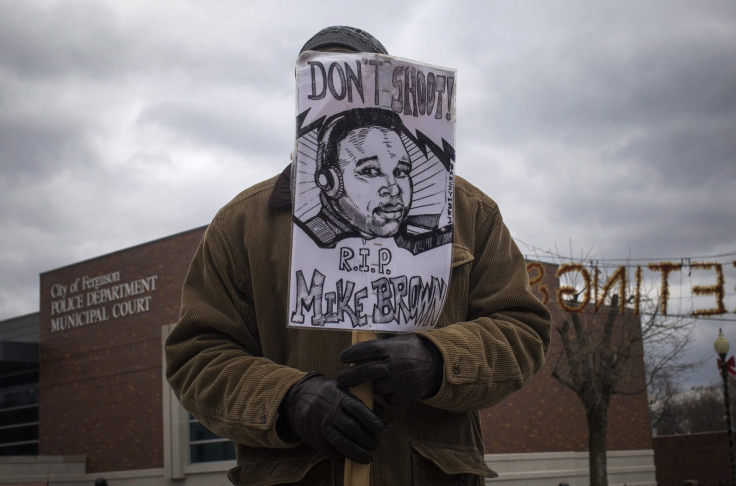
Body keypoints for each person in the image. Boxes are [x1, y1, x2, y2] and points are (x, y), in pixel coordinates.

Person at [165, 25, 551, 486]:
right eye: (325, 79)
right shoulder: (241, 225)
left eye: (363, 78)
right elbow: (197, 357)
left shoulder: (471, 214)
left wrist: (439, 359)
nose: (390, 186)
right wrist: (289, 400)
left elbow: (522, 331)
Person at [297, 108, 414, 248]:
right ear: (330, 181)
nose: (394, 189)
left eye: (400, 172)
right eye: (370, 171)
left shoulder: (410, 247)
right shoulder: (304, 243)